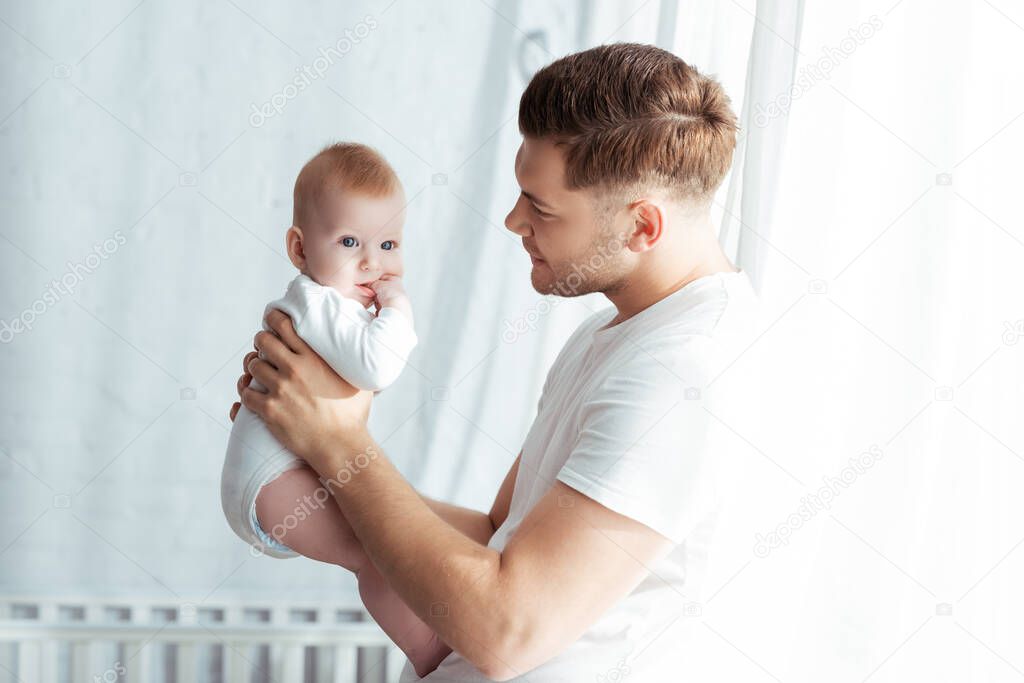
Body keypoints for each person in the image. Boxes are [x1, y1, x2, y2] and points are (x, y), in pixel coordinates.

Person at [230, 42, 758, 681]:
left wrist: (337, 442)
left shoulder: (683, 372)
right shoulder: (610, 336)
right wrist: (301, 456)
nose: (512, 221)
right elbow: (493, 534)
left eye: (540, 206)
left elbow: (507, 632)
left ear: (642, 227)